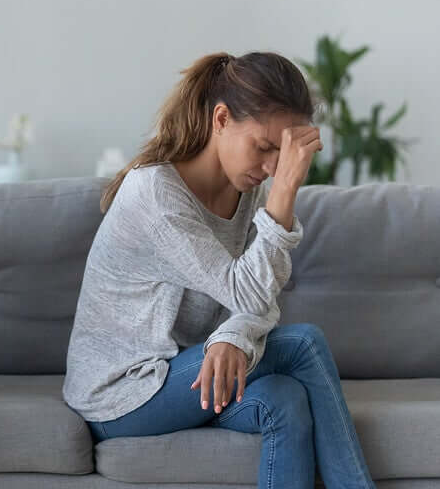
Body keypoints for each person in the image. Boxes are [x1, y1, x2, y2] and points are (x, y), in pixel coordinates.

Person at [62, 52, 376, 488]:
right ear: (222, 119)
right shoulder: (156, 196)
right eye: (264, 147)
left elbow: (259, 298)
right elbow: (247, 291)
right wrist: (284, 192)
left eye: (280, 155)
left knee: (283, 400)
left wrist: (231, 336)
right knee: (304, 344)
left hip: (190, 375)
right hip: (124, 391)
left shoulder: (243, 190)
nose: (270, 167)